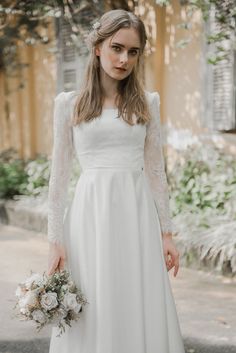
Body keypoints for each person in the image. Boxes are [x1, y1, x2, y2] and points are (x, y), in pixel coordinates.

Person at [47, 8, 185, 353]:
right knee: (95, 297)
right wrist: (55, 240)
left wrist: (167, 233)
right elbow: (59, 177)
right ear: (98, 48)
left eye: (133, 51)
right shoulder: (69, 104)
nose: (124, 59)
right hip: (89, 217)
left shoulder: (146, 104)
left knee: (134, 293)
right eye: (116, 48)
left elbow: (156, 171)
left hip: (136, 216)